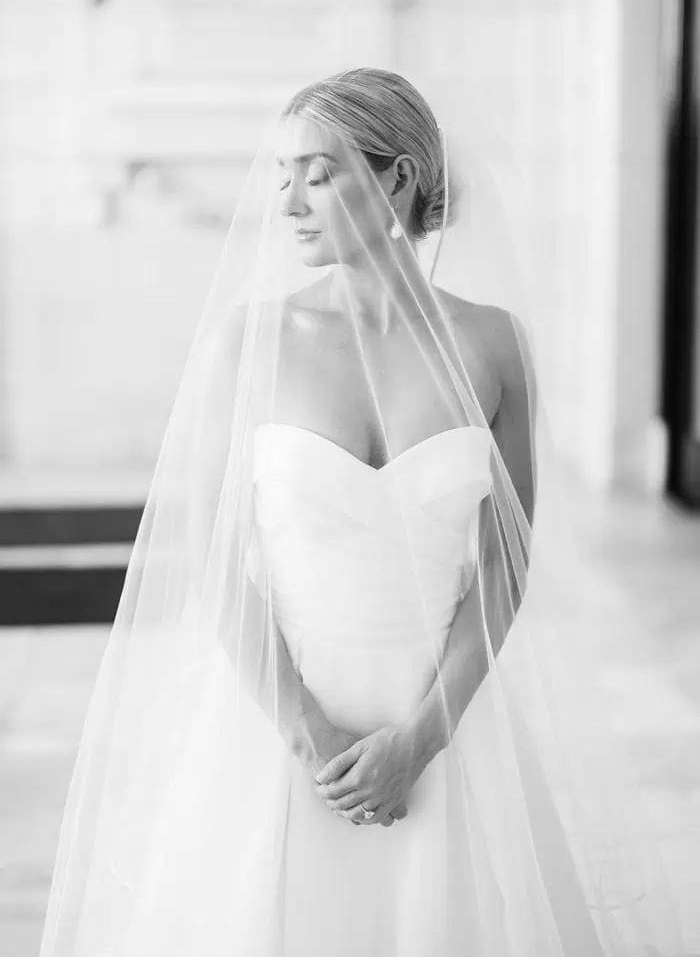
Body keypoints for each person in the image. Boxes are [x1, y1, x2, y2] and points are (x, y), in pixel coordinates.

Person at [38, 69, 683, 956]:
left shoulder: (493, 345)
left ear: (397, 179)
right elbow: (216, 566)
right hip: (282, 727)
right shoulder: (249, 340)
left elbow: (506, 560)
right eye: (282, 175)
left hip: (449, 725)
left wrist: (421, 740)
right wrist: (312, 743)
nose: (288, 202)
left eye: (318, 172)